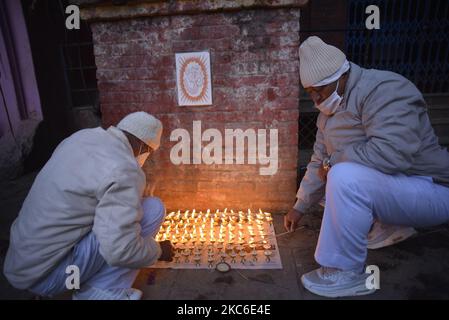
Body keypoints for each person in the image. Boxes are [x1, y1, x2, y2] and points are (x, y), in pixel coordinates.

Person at [284, 36, 449, 298]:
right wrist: (299, 206)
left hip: (432, 187)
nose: (316, 98)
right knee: (332, 186)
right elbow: (318, 159)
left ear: (341, 75)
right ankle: (388, 227)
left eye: (320, 90)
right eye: (310, 92)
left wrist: (334, 162)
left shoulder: (384, 89)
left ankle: (347, 272)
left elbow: (392, 154)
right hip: (398, 191)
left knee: (343, 177)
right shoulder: (327, 115)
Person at [3, 111, 174, 300]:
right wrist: (156, 251)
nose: (145, 159)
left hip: (21, 265)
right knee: (152, 210)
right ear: (144, 146)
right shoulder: (125, 168)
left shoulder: (81, 138)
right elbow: (120, 250)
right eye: (148, 154)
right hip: (55, 277)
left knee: (119, 221)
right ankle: (100, 292)